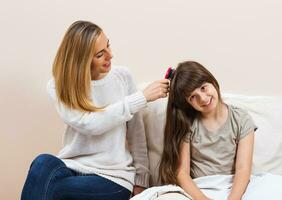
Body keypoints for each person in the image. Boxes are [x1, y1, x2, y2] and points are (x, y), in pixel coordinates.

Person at [21, 20, 169, 200]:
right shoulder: (59, 86)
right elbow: (89, 124)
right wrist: (141, 98)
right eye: (100, 54)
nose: (111, 55)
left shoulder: (122, 77)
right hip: (72, 167)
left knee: (52, 188)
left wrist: (141, 180)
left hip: (113, 178)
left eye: (108, 46)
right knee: (42, 162)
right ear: (82, 60)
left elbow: (136, 133)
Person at [159, 61, 256, 200]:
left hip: (235, 187)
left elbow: (243, 169)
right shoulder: (189, 124)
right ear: (187, 103)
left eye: (203, 88)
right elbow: (182, 172)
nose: (203, 99)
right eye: (193, 97)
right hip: (201, 189)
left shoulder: (241, 119)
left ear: (212, 82)